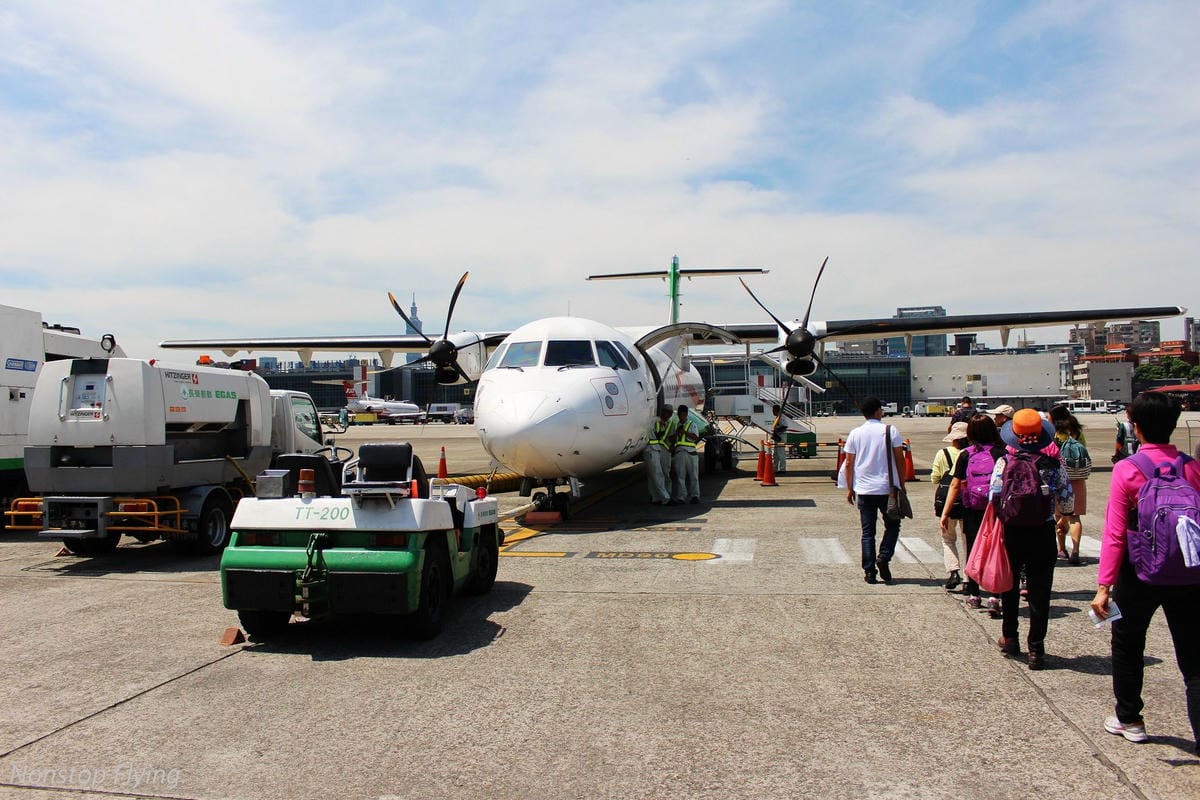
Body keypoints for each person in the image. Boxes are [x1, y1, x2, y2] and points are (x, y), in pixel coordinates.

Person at [1090, 392, 1200, 753]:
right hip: (1188, 573)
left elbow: (1115, 531)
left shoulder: (1128, 468)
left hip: (1137, 573)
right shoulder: (1191, 467)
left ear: (1135, 427)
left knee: (1127, 643)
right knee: (1194, 660)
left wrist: (1104, 584)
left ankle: (1130, 719)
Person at [991, 408, 1074, 670]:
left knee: (1009, 584)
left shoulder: (1004, 461)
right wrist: (1063, 513)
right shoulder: (1052, 463)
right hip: (1042, 530)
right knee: (1040, 591)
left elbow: (992, 495)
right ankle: (1036, 649)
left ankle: (1010, 636)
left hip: (1012, 529)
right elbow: (1067, 499)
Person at [940, 414, 1005, 609]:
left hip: (972, 509)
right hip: (995, 510)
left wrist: (945, 512)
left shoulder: (966, 454)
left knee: (974, 550)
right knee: (995, 550)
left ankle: (975, 594)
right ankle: (995, 595)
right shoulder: (1001, 453)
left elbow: (955, 485)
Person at [843, 397, 906, 585]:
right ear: (878, 411)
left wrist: (849, 488)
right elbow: (899, 458)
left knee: (867, 532)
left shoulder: (855, 433)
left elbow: (848, 463)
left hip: (863, 489)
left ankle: (869, 572)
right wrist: (901, 483)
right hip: (888, 490)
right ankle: (884, 557)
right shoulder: (890, 430)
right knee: (893, 526)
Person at [932, 421, 969, 590]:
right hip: (967, 501)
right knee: (967, 540)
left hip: (947, 502)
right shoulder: (971, 453)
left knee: (948, 539)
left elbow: (935, 478)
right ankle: (969, 578)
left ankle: (954, 571)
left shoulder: (943, 453)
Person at [1050, 405, 1088, 565]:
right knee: (1075, 516)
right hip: (1077, 477)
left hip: (1060, 477)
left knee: (1059, 514)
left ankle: (1061, 549)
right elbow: (1084, 450)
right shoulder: (1078, 432)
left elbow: (1050, 452)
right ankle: (1075, 551)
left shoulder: (1055, 433)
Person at [671, 404, 701, 505]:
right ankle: (681, 497)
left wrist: (685, 432)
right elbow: (672, 439)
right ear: (678, 415)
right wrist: (677, 433)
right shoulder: (675, 425)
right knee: (680, 476)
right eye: (680, 414)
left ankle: (695, 495)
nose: (681, 416)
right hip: (680, 452)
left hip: (691, 452)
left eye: (683, 414)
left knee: (693, 476)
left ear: (686, 414)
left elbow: (696, 437)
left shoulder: (692, 424)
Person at [645, 406, 675, 505]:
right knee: (657, 474)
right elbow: (658, 434)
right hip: (651, 448)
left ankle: (655, 498)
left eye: (670, 414)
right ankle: (666, 498)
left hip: (654, 448)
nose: (669, 415)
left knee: (653, 475)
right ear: (662, 412)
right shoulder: (656, 421)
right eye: (667, 413)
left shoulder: (659, 421)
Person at [771, 404, 788, 475]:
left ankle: (782, 469)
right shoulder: (777, 417)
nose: (772, 412)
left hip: (781, 436)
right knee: (776, 454)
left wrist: (777, 431)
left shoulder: (781, 417)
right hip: (778, 436)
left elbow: (784, 426)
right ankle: (775, 468)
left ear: (776, 410)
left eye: (773, 410)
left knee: (781, 453)